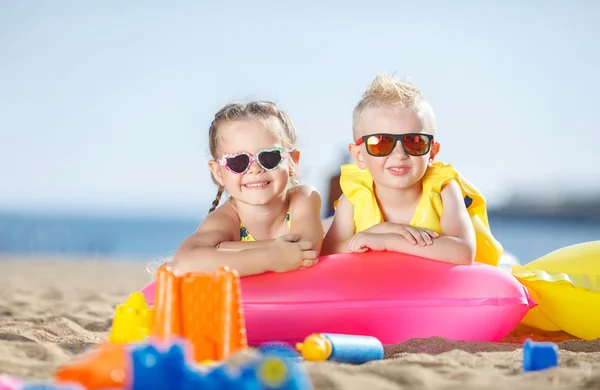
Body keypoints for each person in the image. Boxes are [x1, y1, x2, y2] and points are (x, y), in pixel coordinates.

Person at [322, 74, 503, 266]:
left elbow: (464, 252)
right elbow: (328, 252)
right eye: (381, 143)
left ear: (432, 152)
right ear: (359, 155)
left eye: (414, 142)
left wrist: (389, 241)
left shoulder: (444, 192)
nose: (399, 154)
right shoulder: (353, 199)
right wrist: (379, 230)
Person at [172, 101, 323, 276]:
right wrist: (270, 258)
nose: (255, 169)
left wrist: (223, 249)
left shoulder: (303, 197)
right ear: (218, 172)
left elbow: (305, 249)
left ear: (293, 161)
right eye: (238, 161)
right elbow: (184, 262)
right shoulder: (227, 218)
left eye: (269, 157)